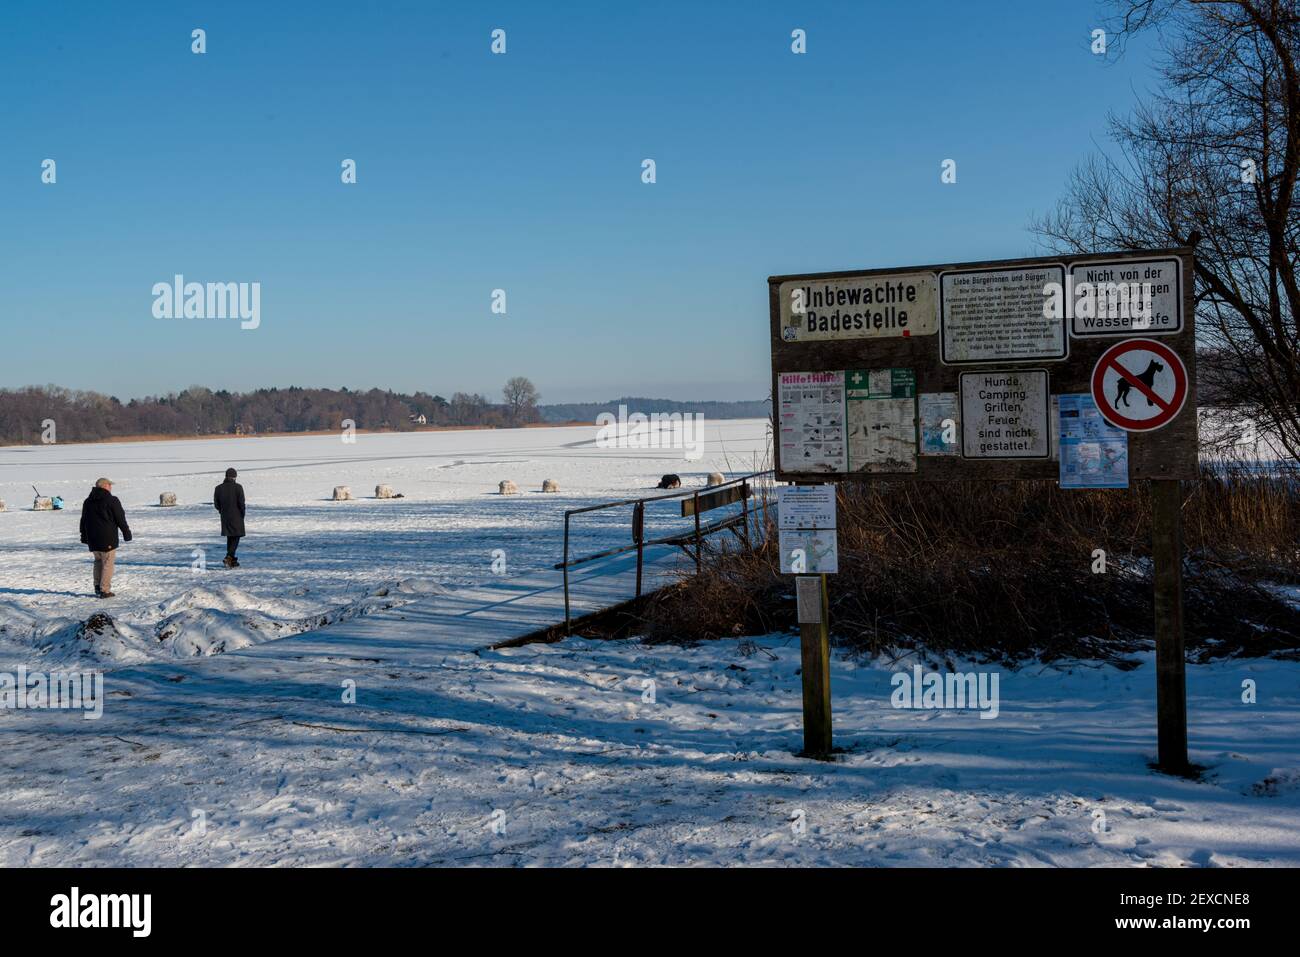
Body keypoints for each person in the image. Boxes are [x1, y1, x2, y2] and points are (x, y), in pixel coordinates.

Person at [79, 477, 132, 598]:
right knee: (107, 563)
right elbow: (120, 518)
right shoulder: (111, 500)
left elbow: (83, 520)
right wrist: (126, 532)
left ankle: (97, 586)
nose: (111, 487)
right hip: (107, 538)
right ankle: (104, 590)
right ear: (105, 486)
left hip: (92, 538)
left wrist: (83, 535)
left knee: (98, 561)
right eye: (109, 485)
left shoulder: (88, 501)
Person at [213, 467, 246, 568]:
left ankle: (231, 560)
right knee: (236, 536)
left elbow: (216, 504)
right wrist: (242, 514)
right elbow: (241, 503)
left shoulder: (218, 488)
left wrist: (222, 511)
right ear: (235, 477)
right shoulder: (238, 487)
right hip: (237, 516)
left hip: (225, 516)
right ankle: (229, 557)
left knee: (230, 537)